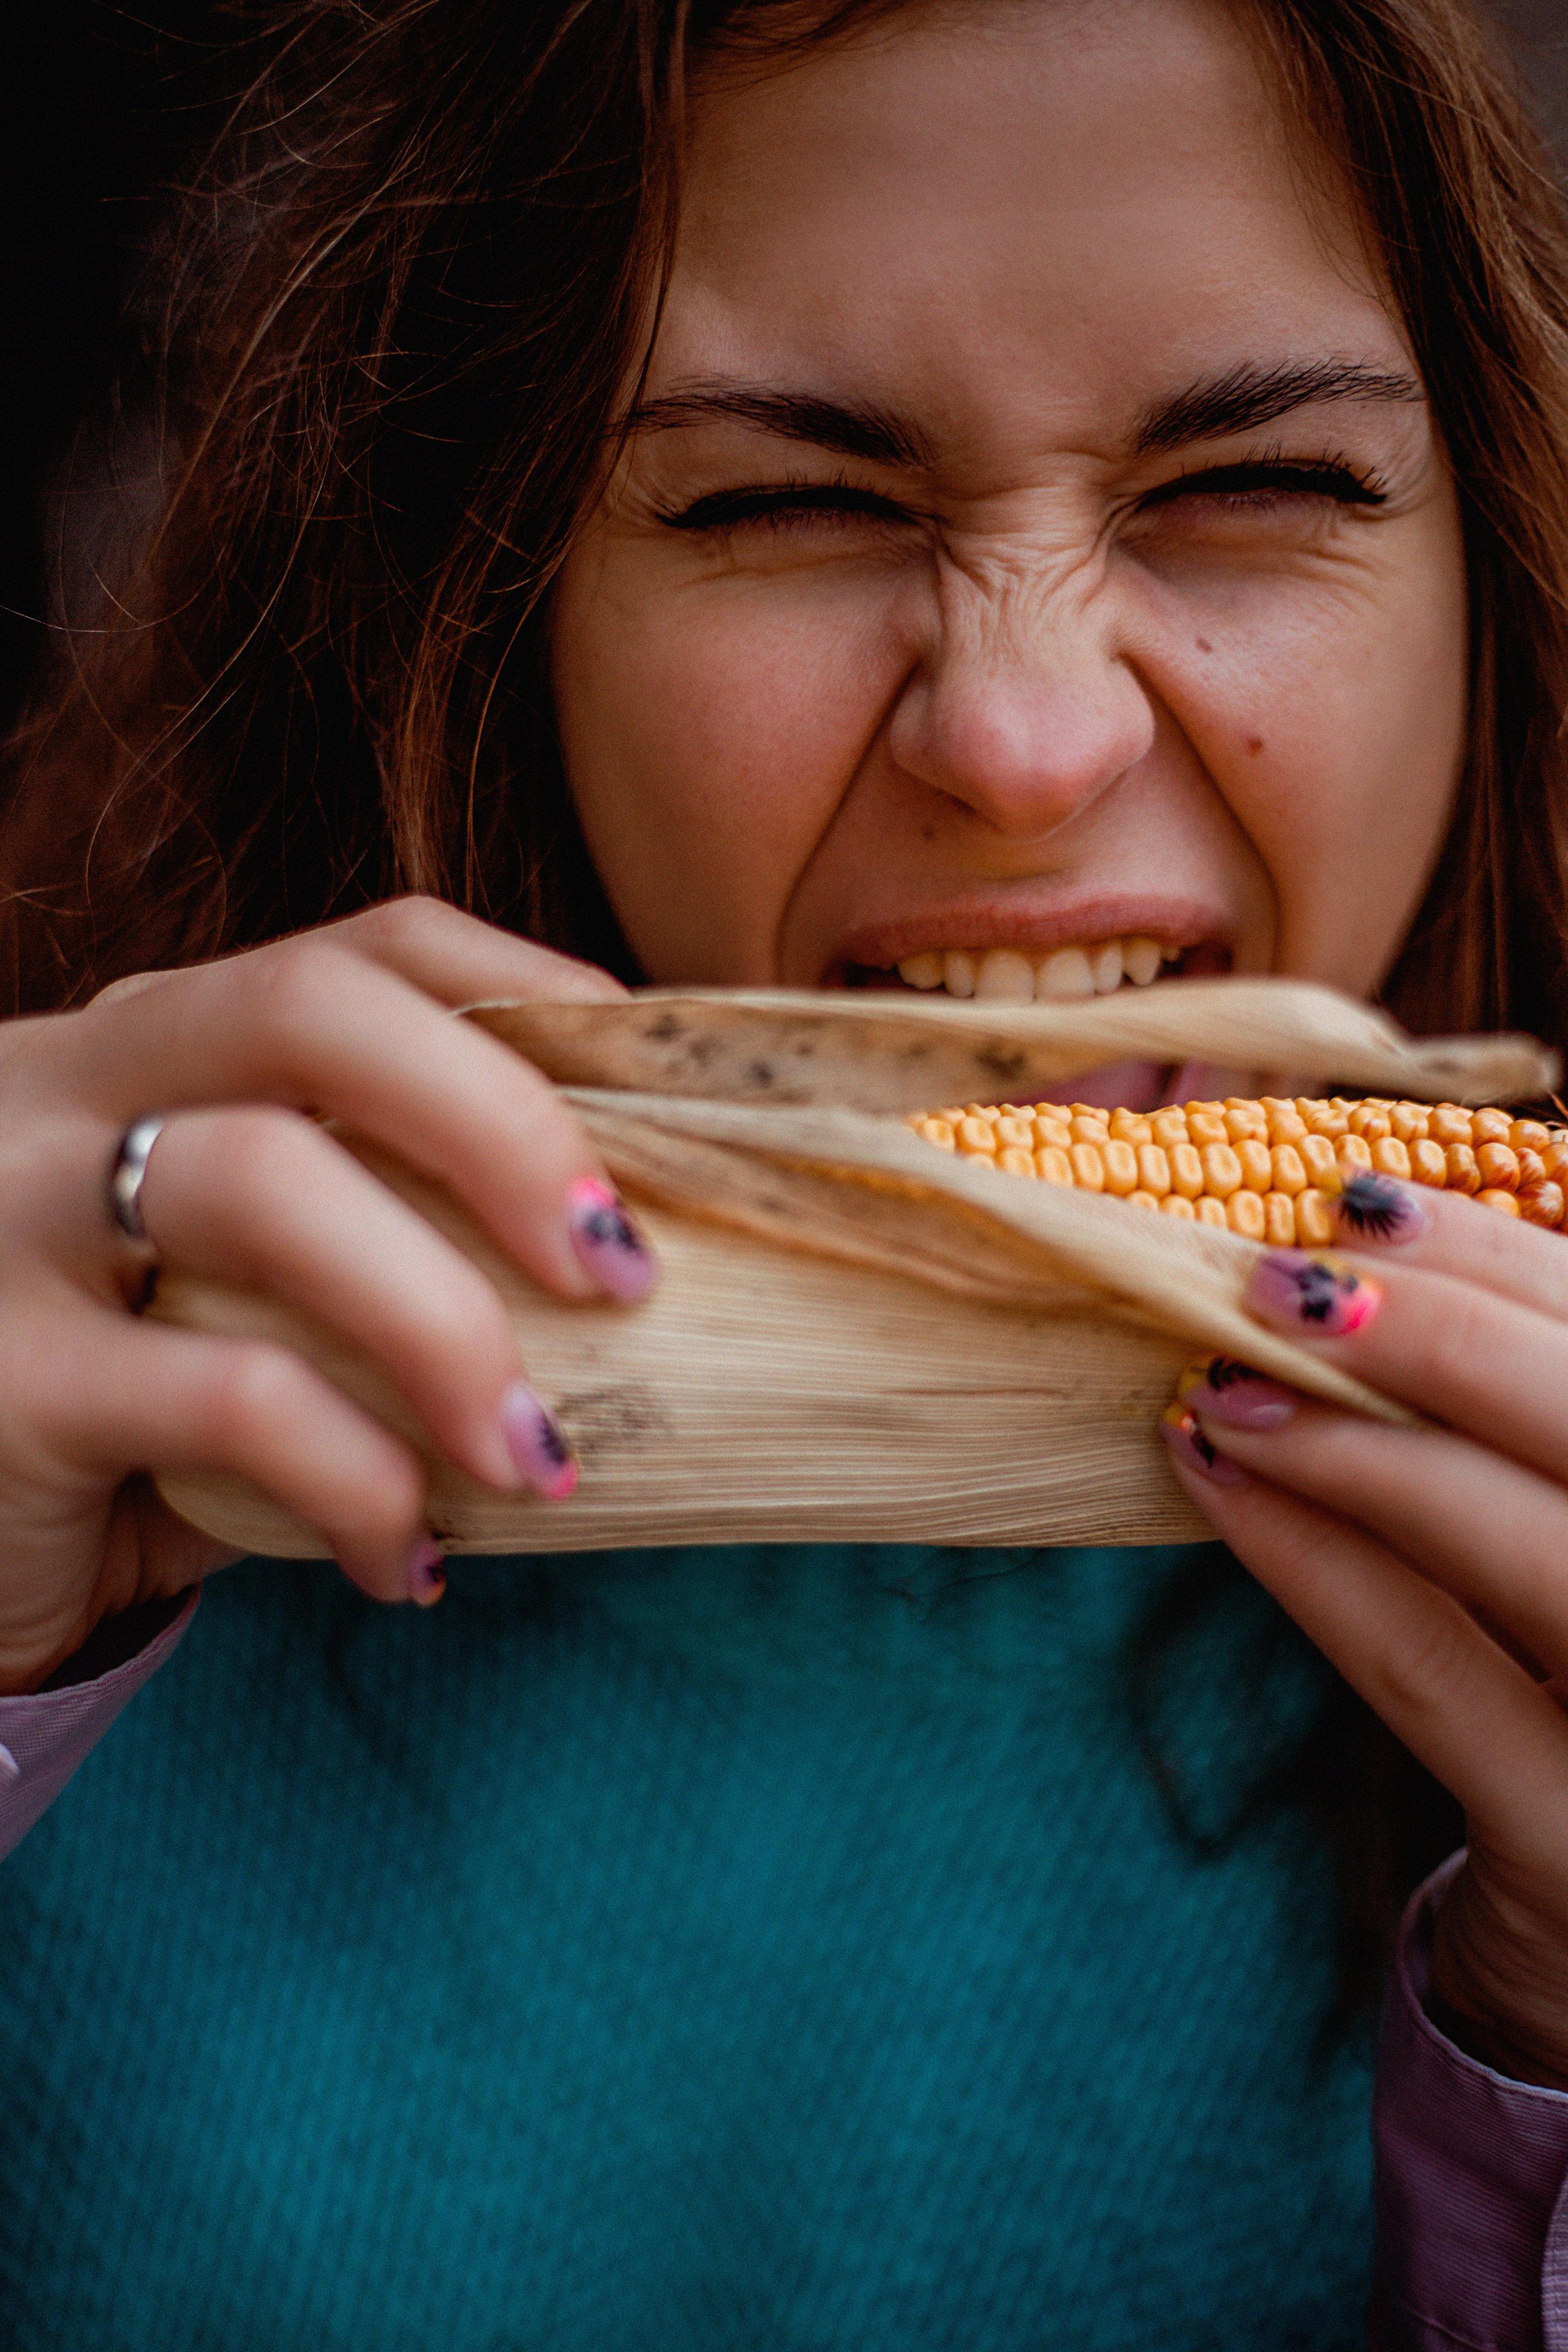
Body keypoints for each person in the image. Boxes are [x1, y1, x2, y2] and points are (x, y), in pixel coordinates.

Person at [3, 0, 1568, 2342]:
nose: (1027, 746)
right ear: (489, 572)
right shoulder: (86, 1395)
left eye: (1255, 485)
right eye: (784, 502)